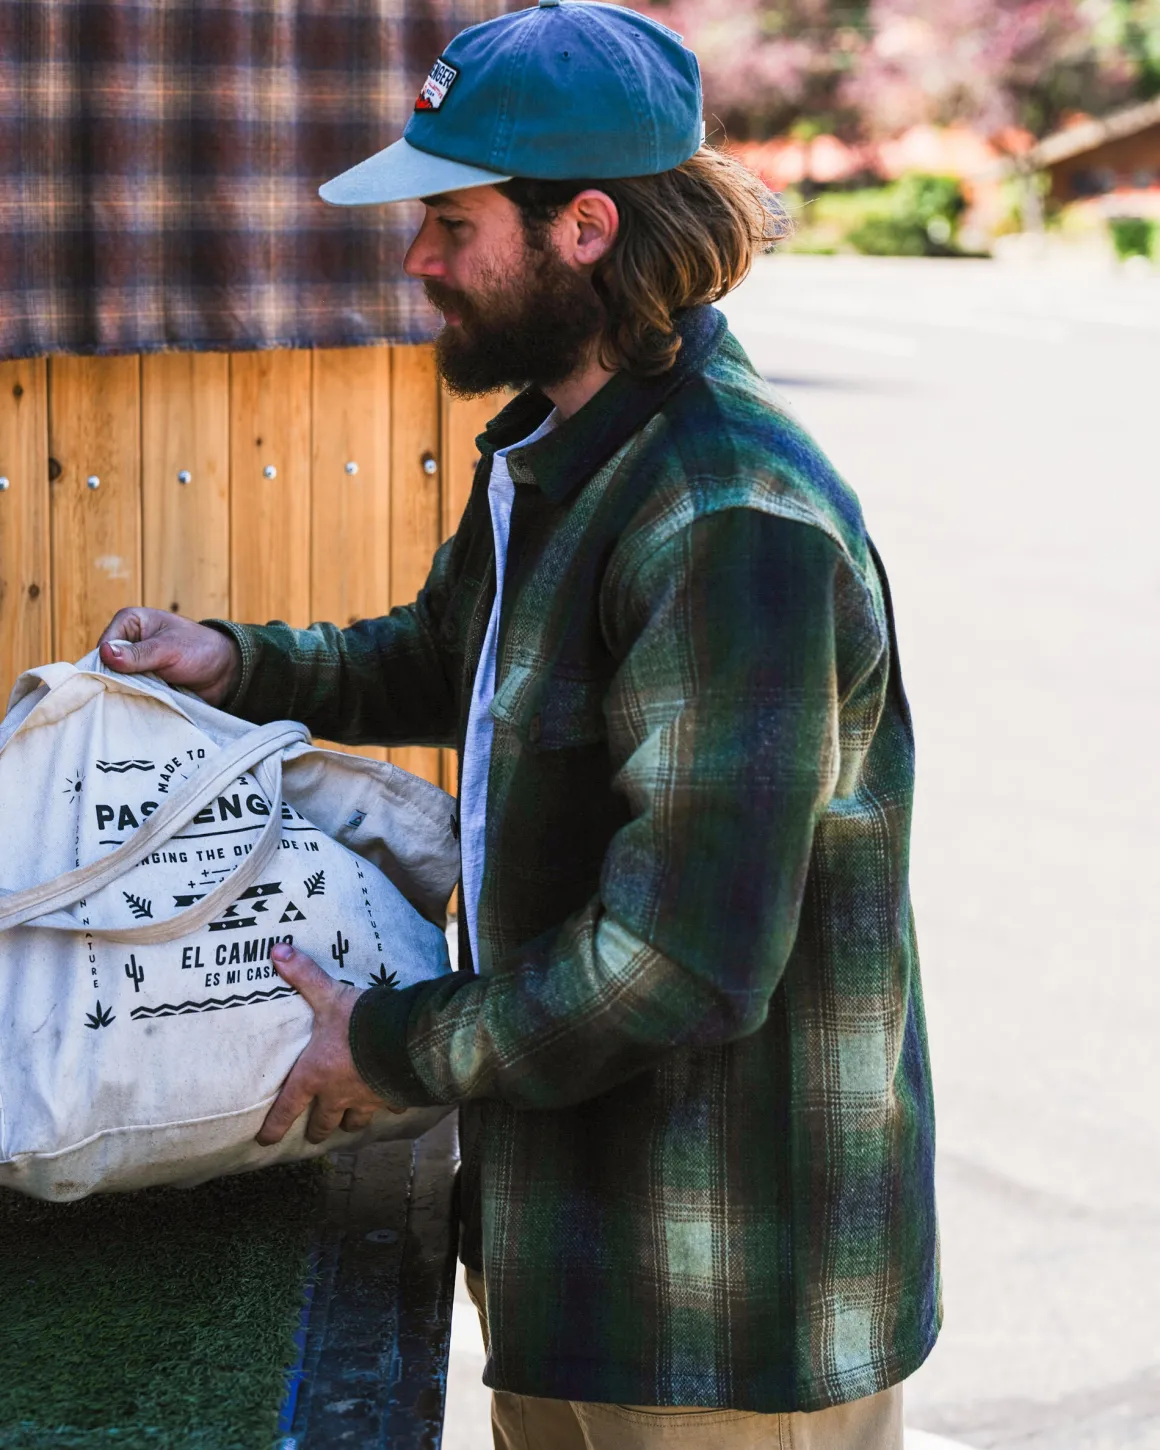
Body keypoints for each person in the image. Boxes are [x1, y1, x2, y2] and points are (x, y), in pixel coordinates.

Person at [99, 3, 940, 1445]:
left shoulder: (732, 520)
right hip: (576, 1260)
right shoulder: (562, 439)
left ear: (588, 229)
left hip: (725, 1311)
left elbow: (678, 965)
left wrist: (394, 1042)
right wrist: (236, 660)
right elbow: (450, 656)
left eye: (450, 221)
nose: (417, 257)